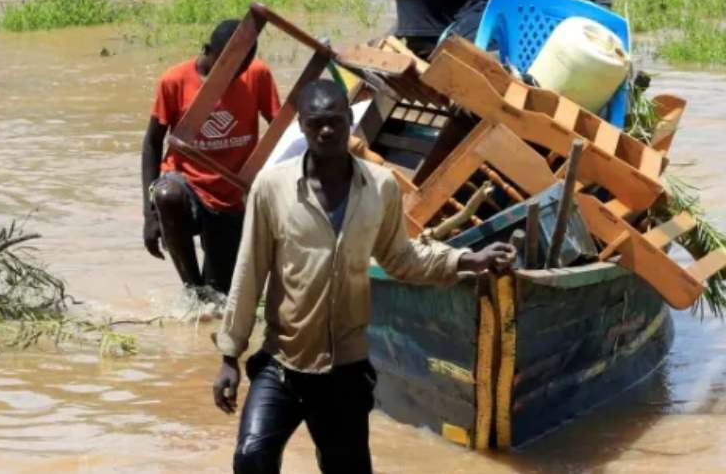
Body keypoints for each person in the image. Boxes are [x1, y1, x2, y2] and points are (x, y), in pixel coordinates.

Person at [213, 79, 516, 474]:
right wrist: (229, 355)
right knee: (251, 458)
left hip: (345, 369)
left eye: (335, 121)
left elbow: (401, 258)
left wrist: (467, 261)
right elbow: (249, 270)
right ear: (302, 126)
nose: (326, 131)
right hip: (284, 362)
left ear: (349, 122)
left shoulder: (380, 186)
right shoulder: (272, 188)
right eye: (316, 123)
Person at [142, 19, 281, 295]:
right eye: (227, 68)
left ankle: (206, 295)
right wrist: (149, 214)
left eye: (241, 68)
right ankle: (191, 290)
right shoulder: (174, 81)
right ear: (207, 50)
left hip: (232, 194)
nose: (234, 76)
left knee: (220, 294)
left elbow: (280, 130)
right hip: (187, 185)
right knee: (168, 194)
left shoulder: (257, 75)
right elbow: (152, 143)